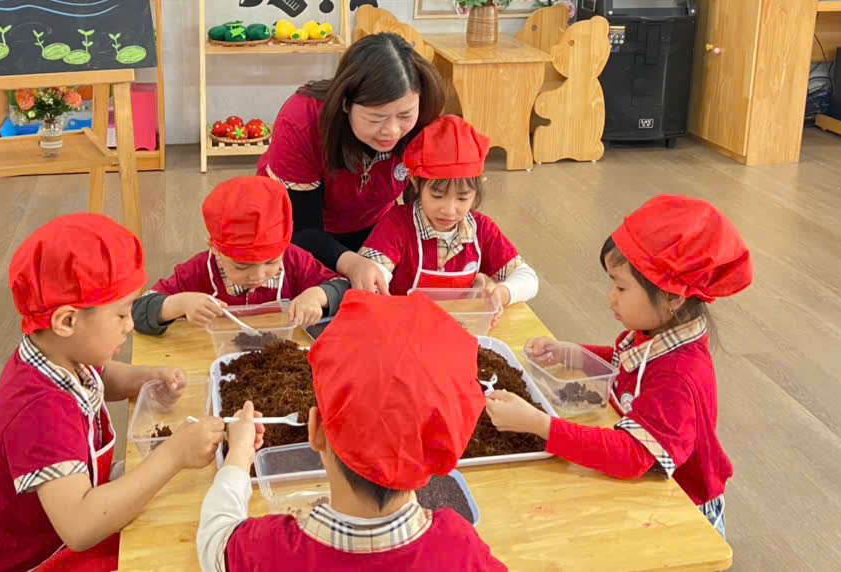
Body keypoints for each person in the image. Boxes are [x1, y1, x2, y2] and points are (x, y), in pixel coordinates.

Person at [0, 214, 226, 572]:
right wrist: (173, 455)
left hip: (61, 517)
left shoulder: (57, 354)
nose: (130, 325)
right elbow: (80, 527)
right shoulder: (40, 412)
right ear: (67, 321)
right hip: (29, 558)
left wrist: (143, 378)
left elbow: (100, 376)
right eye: (121, 315)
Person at [484, 195, 752, 539]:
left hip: (680, 511)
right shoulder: (656, 333)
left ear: (673, 296)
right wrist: (575, 354)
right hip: (644, 489)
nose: (611, 296)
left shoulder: (680, 376)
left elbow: (633, 455)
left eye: (621, 287)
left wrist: (540, 425)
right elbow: (626, 365)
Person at [196, 290, 507, 570]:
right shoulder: (461, 549)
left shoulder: (269, 550)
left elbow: (214, 541)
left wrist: (238, 457)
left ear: (316, 430)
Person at [257, 32, 444, 293]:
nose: (392, 131)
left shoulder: (424, 118)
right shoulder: (302, 120)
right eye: (376, 118)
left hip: (372, 222)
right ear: (346, 104)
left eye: (405, 115)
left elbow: (421, 207)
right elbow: (301, 229)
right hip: (300, 230)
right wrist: (353, 264)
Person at [358, 115, 538, 310]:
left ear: (477, 188)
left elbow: (527, 278)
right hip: (403, 323)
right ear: (415, 182)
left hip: (459, 324)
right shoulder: (397, 224)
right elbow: (371, 273)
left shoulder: (482, 230)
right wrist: (375, 284)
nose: (449, 211)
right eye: (437, 196)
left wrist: (501, 293)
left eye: (462, 198)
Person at [130, 176, 350, 333]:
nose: (258, 276)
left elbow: (344, 288)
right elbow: (138, 311)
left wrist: (317, 296)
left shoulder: (294, 261)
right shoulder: (198, 271)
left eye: (271, 262)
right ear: (214, 248)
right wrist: (180, 304)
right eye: (242, 266)